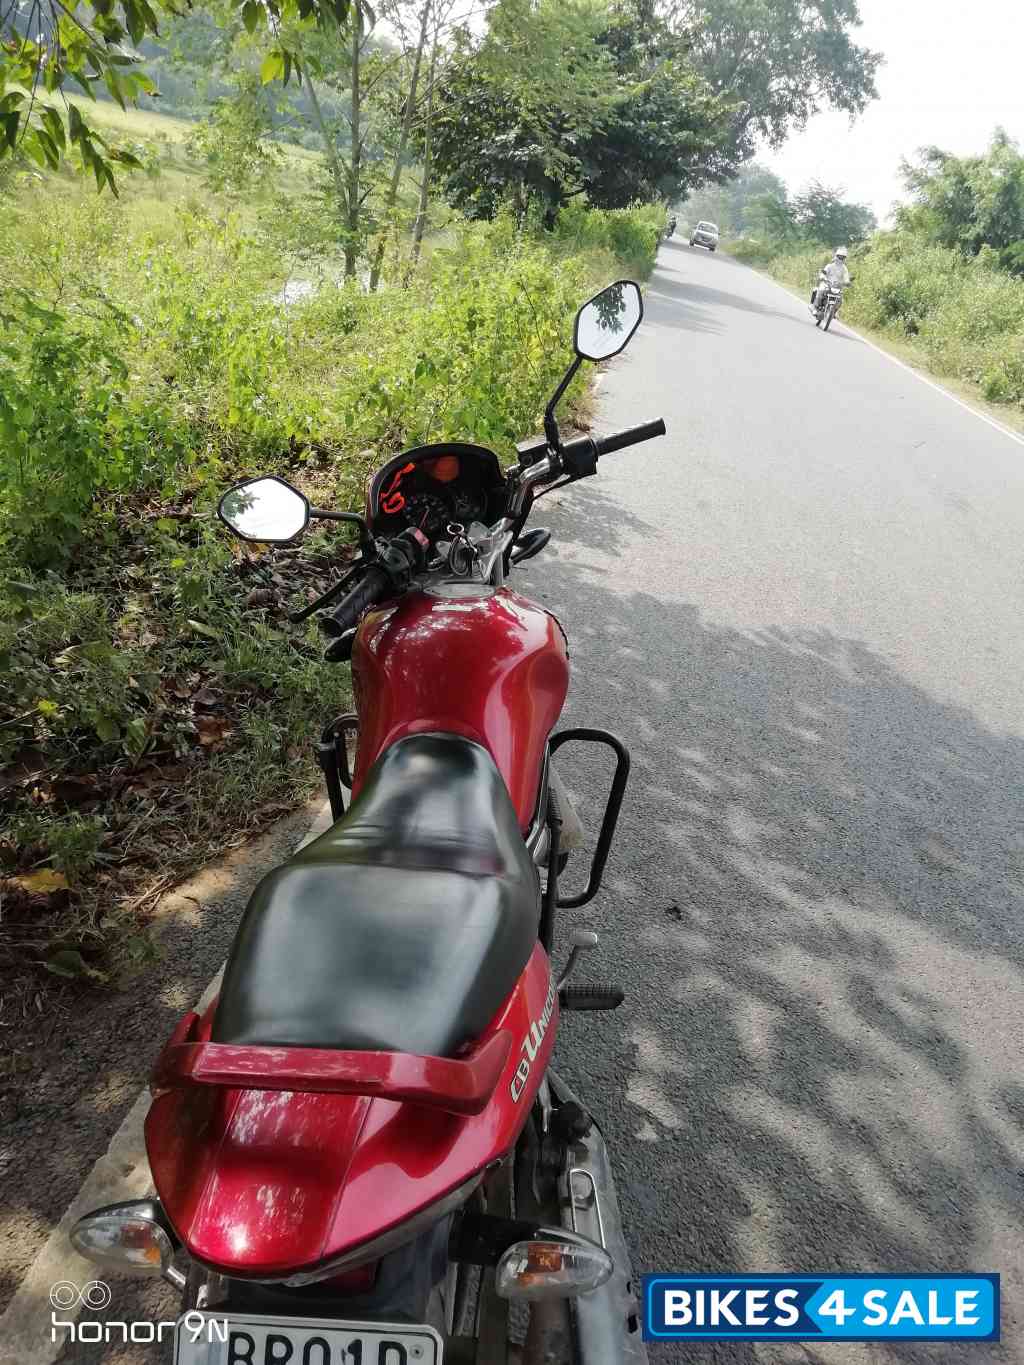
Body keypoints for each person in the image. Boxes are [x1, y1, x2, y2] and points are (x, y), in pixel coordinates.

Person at [810, 247, 851, 314]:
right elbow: (824, 273)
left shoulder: (844, 268)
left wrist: (847, 282)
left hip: (837, 287)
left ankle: (834, 312)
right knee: (821, 291)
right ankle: (815, 307)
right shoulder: (830, 266)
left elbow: (846, 276)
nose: (841, 259)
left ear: (844, 258)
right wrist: (823, 277)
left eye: (843, 257)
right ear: (836, 256)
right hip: (826, 284)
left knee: (840, 300)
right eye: (840, 257)